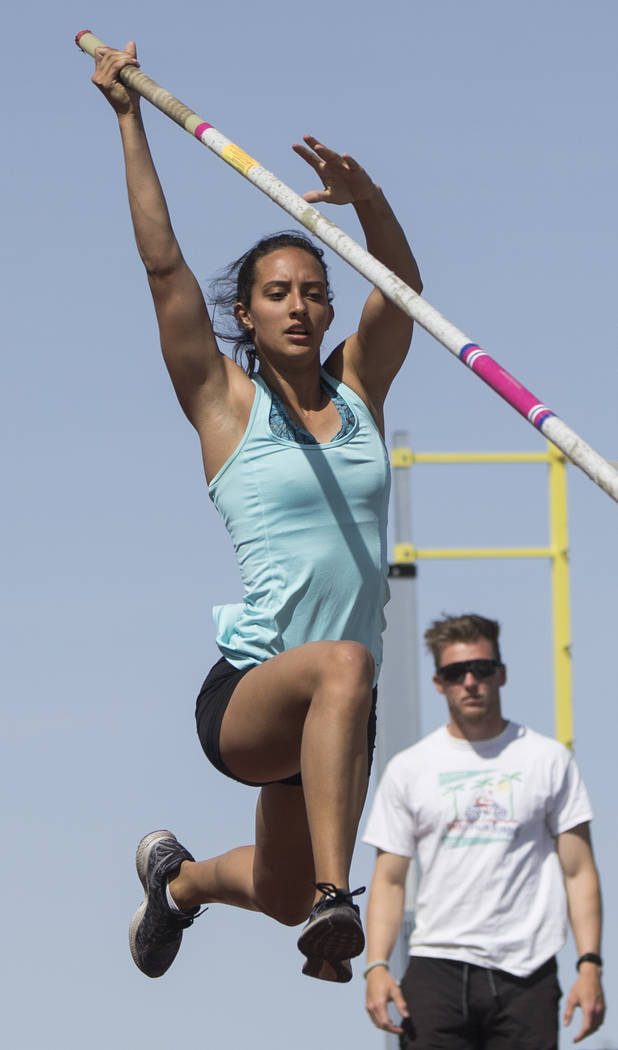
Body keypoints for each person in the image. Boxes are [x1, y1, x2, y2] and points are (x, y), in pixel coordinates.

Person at [87, 42, 423, 984]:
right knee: (349, 663)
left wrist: (370, 205)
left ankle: (178, 885)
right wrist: (128, 119)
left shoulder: (361, 389)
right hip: (252, 694)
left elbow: (404, 295)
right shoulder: (226, 406)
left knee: (275, 897)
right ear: (247, 311)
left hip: (333, 716)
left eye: (316, 293)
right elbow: (163, 272)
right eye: (279, 294)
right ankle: (335, 896)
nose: (303, 308)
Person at [363, 613, 605, 1047]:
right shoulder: (409, 769)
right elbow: (389, 879)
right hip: (437, 967)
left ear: (501, 674)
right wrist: (376, 965)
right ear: (439, 682)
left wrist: (590, 964)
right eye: (456, 672)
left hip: (526, 972)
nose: (470, 681)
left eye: (482, 669)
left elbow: (579, 871)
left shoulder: (548, 760)